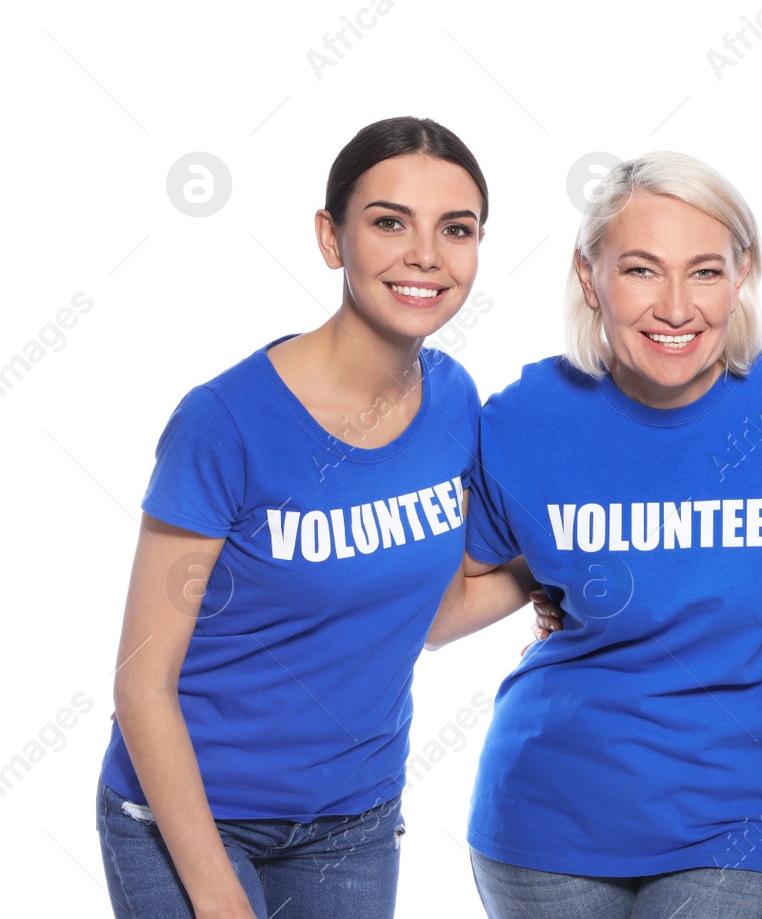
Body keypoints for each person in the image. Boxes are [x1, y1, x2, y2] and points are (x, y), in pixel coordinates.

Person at [426, 151, 762, 919]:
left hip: (737, 826)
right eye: (639, 270)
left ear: (743, 273)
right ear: (589, 276)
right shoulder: (527, 417)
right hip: (544, 821)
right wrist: (549, 568)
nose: (675, 306)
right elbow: (437, 615)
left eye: (704, 271)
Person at [97, 117, 490, 919]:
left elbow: (431, 615)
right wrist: (216, 894)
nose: (426, 255)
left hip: (353, 819)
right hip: (189, 816)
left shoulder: (456, 402)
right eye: (389, 222)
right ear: (330, 236)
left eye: (457, 229)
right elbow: (141, 682)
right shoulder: (225, 422)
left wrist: (555, 573)